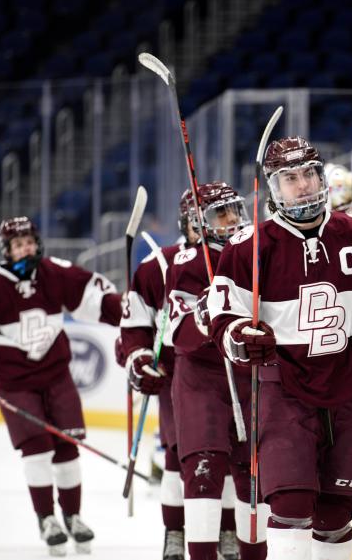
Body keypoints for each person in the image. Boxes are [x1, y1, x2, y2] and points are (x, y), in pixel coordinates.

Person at [207, 137, 352, 560]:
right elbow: (222, 318)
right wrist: (240, 339)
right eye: (289, 179)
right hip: (284, 391)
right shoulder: (248, 247)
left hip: (349, 389)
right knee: (290, 505)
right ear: (273, 188)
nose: (302, 186)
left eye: (308, 174)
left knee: (337, 513)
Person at [0, 216, 122, 556]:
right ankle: (47, 519)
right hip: (15, 382)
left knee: (67, 446)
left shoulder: (53, 271)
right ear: (7, 250)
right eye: (18, 244)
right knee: (36, 449)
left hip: (57, 376)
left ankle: (73, 517)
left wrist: (125, 313)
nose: (26, 248)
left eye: (29, 241)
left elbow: (91, 296)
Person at [146, 181, 266, 560]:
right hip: (201, 379)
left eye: (234, 210)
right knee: (203, 470)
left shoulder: (261, 251)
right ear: (199, 223)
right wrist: (204, 313)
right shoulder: (188, 263)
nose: (232, 219)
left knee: (255, 477)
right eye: (220, 213)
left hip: (252, 377)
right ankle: (189, 543)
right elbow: (179, 335)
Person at [119, 190, 197, 560]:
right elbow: (134, 328)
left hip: (233, 370)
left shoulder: (240, 256)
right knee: (176, 456)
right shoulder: (160, 266)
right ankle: (175, 532)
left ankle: (228, 531)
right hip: (178, 372)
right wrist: (141, 358)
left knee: (236, 456)